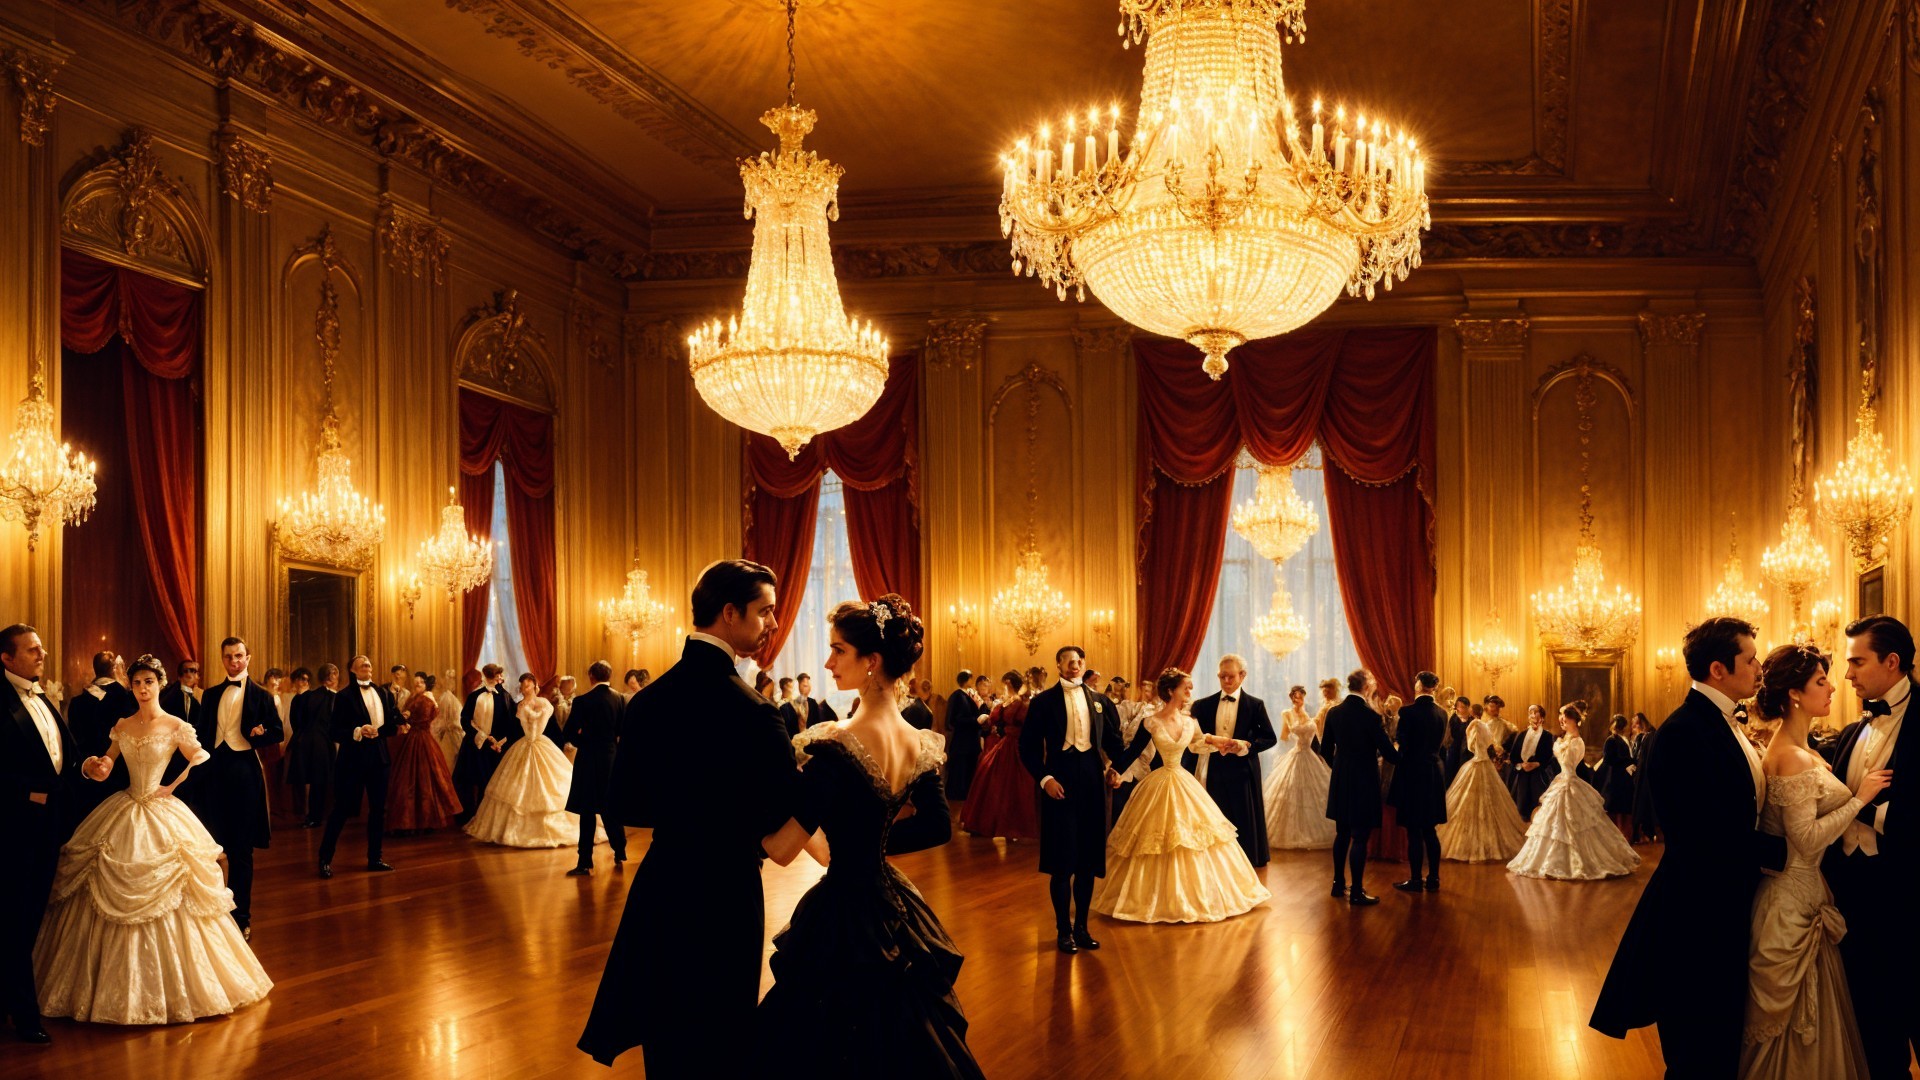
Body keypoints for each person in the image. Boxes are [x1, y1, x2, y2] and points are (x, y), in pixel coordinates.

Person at [579, 560, 799, 1073]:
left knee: (668, 1029)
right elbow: (780, 820)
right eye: (764, 612)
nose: (771, 624)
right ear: (729, 613)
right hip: (726, 890)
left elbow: (627, 805)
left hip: (664, 882)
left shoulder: (649, 702)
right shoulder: (755, 712)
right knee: (723, 1029)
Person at [756, 596, 984, 1078]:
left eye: (838, 650)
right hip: (889, 899)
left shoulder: (837, 745)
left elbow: (779, 850)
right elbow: (935, 825)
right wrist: (870, 849)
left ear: (872, 661)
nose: (827, 662)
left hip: (843, 910)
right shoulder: (916, 739)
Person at [1592, 617, 1788, 1075]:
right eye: (1751, 658)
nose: (1759, 667)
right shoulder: (1684, 731)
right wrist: (1787, 854)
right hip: (1698, 908)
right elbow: (1705, 833)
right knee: (1698, 1046)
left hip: (1726, 898)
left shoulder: (1723, 724)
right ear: (1718, 669)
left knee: (1720, 1039)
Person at [34, 654, 273, 1024]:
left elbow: (200, 756)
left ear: (161, 684)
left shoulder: (176, 724)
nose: (143, 689)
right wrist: (100, 767)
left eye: (149, 682)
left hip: (161, 807)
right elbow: (109, 761)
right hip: (126, 804)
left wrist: (171, 786)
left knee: (179, 886)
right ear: (130, 686)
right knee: (97, 876)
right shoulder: (123, 724)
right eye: (137, 683)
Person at [1739, 643, 1875, 1079]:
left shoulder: (1799, 747)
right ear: (1795, 694)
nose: (1833, 687)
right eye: (1821, 681)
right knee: (1798, 1031)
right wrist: (1860, 800)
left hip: (1806, 895)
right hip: (1791, 902)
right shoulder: (1793, 757)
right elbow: (1807, 839)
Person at [1094, 667, 1269, 924]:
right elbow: (1132, 752)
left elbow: (1201, 741)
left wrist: (1231, 743)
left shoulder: (1190, 721)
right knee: (1156, 841)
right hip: (1160, 783)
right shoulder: (1151, 722)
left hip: (1185, 783)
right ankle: (1151, 898)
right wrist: (1115, 771)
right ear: (1170, 691)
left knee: (1197, 839)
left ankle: (1199, 896)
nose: (1191, 691)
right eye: (1186, 687)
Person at [1824, 614, 1920, 1079]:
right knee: (1873, 1029)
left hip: (1911, 901)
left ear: (1893, 661)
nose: (1847, 675)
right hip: (1853, 902)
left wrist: (1863, 808)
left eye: (1856, 662)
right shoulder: (1851, 731)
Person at [1020, 646, 1131, 952]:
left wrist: (1116, 769)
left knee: (1087, 861)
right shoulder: (1043, 702)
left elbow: (1115, 744)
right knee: (1062, 861)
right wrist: (1046, 779)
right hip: (1060, 783)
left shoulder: (1100, 701)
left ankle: (1082, 927)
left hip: (1093, 784)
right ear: (1058, 665)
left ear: (1084, 664)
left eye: (1079, 660)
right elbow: (1027, 748)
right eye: (1069, 660)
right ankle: (1063, 930)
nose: (1075, 664)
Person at [0, 624, 74, 1043]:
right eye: (32, 650)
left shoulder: (41, 694)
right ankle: (25, 1014)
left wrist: (86, 767)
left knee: (31, 914)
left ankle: (9, 1000)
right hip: (14, 825)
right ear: (7, 658)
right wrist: (28, 793)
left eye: (41, 647)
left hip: (50, 825)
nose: (41, 654)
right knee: (15, 916)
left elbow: (63, 751)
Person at [193, 637, 283, 940]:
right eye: (229, 656)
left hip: (245, 773)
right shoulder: (211, 695)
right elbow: (200, 736)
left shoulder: (262, 696)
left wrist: (260, 733)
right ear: (222, 660)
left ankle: (241, 915)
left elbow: (277, 732)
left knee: (242, 850)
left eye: (239, 655)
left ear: (248, 657)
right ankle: (214, 911)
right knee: (213, 847)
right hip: (213, 773)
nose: (234, 661)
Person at [1506, 704, 1640, 881]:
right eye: (1560, 716)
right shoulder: (1566, 738)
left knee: (1575, 823)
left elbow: (1569, 763)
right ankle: (1552, 861)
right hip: (1562, 781)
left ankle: (1578, 862)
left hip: (1570, 782)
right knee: (1552, 825)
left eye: (1564, 717)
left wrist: (1561, 747)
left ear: (1573, 720)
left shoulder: (1577, 741)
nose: (1561, 720)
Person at [467, 673, 597, 848]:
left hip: (541, 745)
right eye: (522, 685)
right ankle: (512, 830)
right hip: (522, 746)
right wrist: (501, 743)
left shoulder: (543, 703)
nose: (524, 688)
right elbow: (514, 732)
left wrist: (561, 744)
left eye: (528, 685)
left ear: (535, 686)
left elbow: (550, 728)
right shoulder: (518, 706)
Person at [1185, 654, 1275, 867]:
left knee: (1244, 817)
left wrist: (1246, 745)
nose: (1226, 681)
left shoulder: (1255, 705)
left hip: (1243, 769)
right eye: (1222, 677)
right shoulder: (1203, 705)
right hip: (1213, 769)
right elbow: (1193, 738)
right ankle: (1217, 862)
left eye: (1231, 677)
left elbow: (1269, 738)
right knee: (1215, 814)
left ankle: (1245, 861)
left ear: (1242, 676)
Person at [317, 655, 401, 879]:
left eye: (370, 664)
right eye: (363, 664)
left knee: (378, 811)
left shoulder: (383, 693)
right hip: (352, 761)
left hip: (379, 760)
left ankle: (375, 858)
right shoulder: (344, 696)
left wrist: (379, 731)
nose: (368, 666)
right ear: (353, 670)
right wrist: (357, 731)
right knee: (341, 809)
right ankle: (324, 859)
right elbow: (334, 731)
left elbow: (391, 727)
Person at [1323, 668, 1397, 905]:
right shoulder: (1371, 716)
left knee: (1342, 833)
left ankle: (1337, 884)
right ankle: (1356, 891)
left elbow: (1325, 750)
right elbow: (1388, 753)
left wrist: (1340, 766)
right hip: (1364, 779)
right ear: (1366, 687)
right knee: (1360, 836)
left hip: (1341, 778)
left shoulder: (1334, 713)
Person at [1437, 700, 1527, 862]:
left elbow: (1471, 747)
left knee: (1464, 802)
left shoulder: (1474, 726)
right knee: (1492, 802)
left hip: (1475, 764)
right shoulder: (1484, 727)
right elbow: (1489, 745)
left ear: (1473, 713)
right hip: (1486, 764)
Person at [564, 661, 627, 876]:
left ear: (591, 676)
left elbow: (570, 732)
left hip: (589, 759)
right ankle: (620, 850)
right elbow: (623, 731)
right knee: (611, 806)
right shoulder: (619, 699)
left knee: (587, 810)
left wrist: (586, 743)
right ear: (610, 675)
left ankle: (584, 862)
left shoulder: (582, 701)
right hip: (610, 758)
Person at [961, 670, 1040, 840]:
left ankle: (1012, 826)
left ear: (1010, 683)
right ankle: (986, 823)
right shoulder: (1009, 701)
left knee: (1012, 785)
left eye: (1005, 683)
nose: (1003, 687)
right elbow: (996, 718)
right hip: (1003, 743)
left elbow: (1023, 725)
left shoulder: (1021, 702)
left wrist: (1005, 727)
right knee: (989, 776)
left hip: (1015, 745)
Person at [1389, 672, 1450, 892]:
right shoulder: (1442, 713)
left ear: (1419, 685)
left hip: (1413, 774)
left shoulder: (1408, 712)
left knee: (1414, 831)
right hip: (1433, 773)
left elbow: (1402, 744)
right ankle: (1434, 878)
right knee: (1430, 830)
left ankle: (1416, 879)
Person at [387, 672, 461, 834]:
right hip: (412, 738)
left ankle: (425, 820)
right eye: (416, 683)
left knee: (424, 779)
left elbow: (424, 718)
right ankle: (408, 821)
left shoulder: (427, 699)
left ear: (426, 685)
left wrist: (407, 718)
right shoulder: (415, 697)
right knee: (407, 779)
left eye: (420, 683)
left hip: (421, 738)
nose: (417, 685)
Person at [66, 651, 135, 820]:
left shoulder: (77, 702)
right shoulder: (126, 698)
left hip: (86, 771)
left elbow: (75, 739)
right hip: (120, 772)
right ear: (114, 668)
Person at [1265, 684, 1335, 850]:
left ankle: (1314, 831)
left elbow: (1316, 737)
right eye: (1295, 696)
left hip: (1309, 754)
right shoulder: (1287, 714)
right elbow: (1284, 736)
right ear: (1291, 698)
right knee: (1291, 791)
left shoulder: (1310, 714)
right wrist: (1283, 752)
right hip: (1296, 753)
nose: (1298, 699)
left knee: (1316, 791)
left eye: (1300, 696)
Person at [454, 664, 513, 821]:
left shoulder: (505, 696)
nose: (500, 678)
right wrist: (481, 736)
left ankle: (487, 816)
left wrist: (500, 741)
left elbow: (510, 721)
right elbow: (465, 719)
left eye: (500, 675)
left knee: (490, 781)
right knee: (468, 779)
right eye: (497, 675)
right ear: (489, 677)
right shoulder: (475, 696)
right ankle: (469, 814)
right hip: (475, 743)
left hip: (496, 746)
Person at [286, 663, 337, 829]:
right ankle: (317, 816)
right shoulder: (332, 697)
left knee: (314, 781)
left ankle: (313, 816)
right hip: (322, 743)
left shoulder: (306, 697)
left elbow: (296, 720)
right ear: (330, 678)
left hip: (306, 743)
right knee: (320, 781)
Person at [1109, 676, 1153, 826]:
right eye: (1144, 690)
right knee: (1119, 809)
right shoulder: (1124, 707)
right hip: (1123, 761)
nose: (1147, 693)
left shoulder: (1153, 712)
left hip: (1142, 763)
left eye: (1149, 690)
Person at [1507, 704, 1559, 818]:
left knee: (1538, 806)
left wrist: (1536, 764)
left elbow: (1550, 757)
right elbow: (1513, 757)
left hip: (1539, 775)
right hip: (1521, 774)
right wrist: (1521, 765)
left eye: (1535, 712)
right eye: (1530, 712)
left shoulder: (1548, 736)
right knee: (1520, 807)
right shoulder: (1521, 735)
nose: (1532, 715)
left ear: (1542, 718)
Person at [944, 670, 986, 800]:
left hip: (971, 740)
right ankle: (958, 796)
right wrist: (975, 721)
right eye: (971, 678)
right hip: (962, 740)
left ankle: (968, 794)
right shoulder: (957, 696)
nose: (973, 681)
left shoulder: (970, 695)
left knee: (970, 767)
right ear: (965, 680)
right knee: (960, 769)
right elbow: (954, 720)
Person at [1597, 714, 1637, 839]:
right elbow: (1609, 759)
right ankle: (1617, 836)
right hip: (1615, 778)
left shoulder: (1624, 739)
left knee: (1623, 808)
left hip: (1623, 778)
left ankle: (1624, 835)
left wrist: (1632, 762)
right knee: (1616, 809)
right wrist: (1627, 762)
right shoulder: (1611, 740)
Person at [1628, 712, 1659, 843]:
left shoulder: (1649, 735)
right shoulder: (1638, 737)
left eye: (1635, 722)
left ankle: (1647, 831)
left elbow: (1641, 756)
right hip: (1640, 772)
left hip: (1646, 773)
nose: (1633, 724)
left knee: (1645, 803)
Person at [157, 659, 201, 735]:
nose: (189, 674)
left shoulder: (197, 698)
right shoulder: (169, 695)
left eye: (193, 671)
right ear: (180, 676)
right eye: (186, 671)